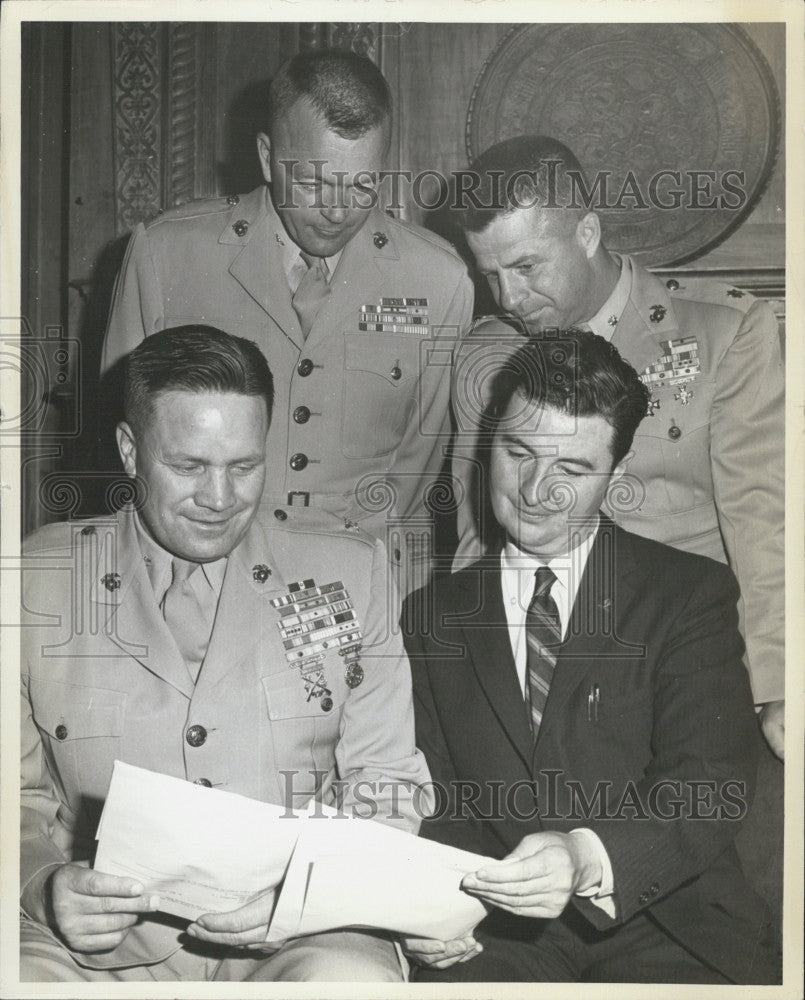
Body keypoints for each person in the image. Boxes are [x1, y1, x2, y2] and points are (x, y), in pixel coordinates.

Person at [20, 326, 432, 983]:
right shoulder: (33, 581)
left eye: (243, 467)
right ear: (130, 452)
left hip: (302, 933)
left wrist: (307, 894)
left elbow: (387, 785)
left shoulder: (344, 573)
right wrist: (41, 883)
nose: (219, 499)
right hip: (93, 952)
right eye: (188, 466)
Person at [402, 332, 778, 983]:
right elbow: (437, 803)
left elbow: (706, 784)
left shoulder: (688, 593)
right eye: (516, 451)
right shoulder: (429, 616)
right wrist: (430, 910)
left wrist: (582, 856)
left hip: (670, 924)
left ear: (617, 475)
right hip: (495, 932)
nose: (533, 490)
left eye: (571, 470)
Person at [450, 135, 784, 757]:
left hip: (685, 668)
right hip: (540, 672)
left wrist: (780, 685)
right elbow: (479, 538)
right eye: (488, 274)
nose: (509, 298)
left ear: (587, 232)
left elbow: (763, 519)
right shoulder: (487, 354)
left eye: (526, 267)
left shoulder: (721, 333)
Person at [101, 49, 473, 598]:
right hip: (193, 588)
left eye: (363, 186)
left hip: (357, 589)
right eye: (314, 183)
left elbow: (416, 474)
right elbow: (127, 445)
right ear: (267, 155)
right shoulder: (166, 255)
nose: (338, 211)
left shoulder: (438, 280)